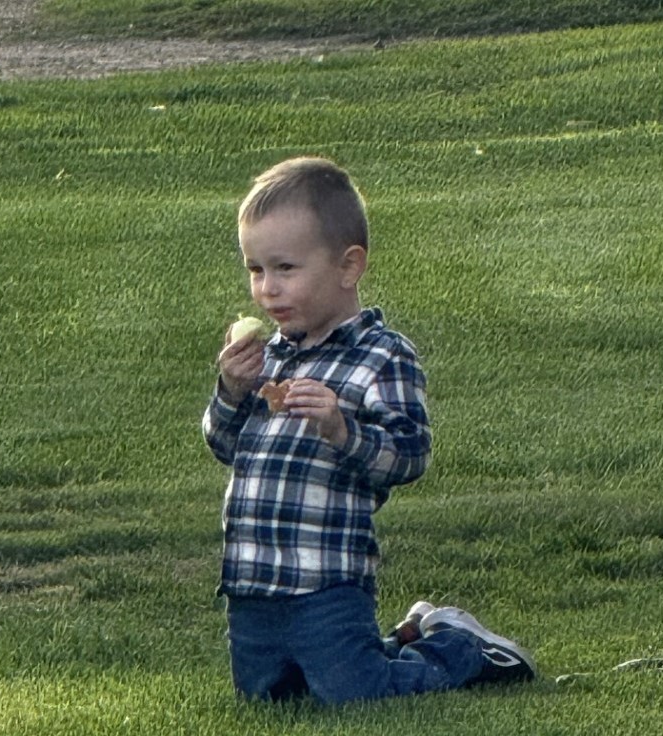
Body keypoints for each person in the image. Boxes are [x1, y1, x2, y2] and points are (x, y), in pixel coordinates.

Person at [202, 156, 536, 704]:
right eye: (256, 270)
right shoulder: (267, 359)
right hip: (252, 578)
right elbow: (224, 446)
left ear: (348, 267)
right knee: (269, 697)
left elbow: (409, 454)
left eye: (285, 269)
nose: (267, 290)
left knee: (354, 692)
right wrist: (231, 392)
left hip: (327, 576)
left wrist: (341, 429)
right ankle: (402, 638)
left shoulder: (380, 356)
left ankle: (460, 647)